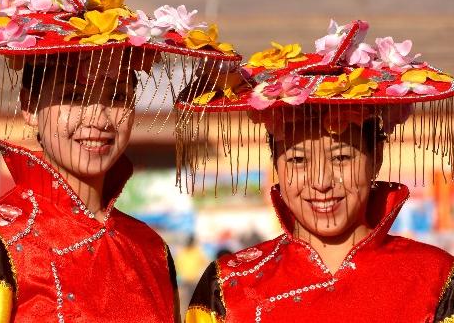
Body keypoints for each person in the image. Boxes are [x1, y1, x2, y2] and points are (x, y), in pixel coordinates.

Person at [0, 0, 240, 322]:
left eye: (118, 96)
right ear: (30, 106)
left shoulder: (151, 249)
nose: (98, 118)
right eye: (75, 95)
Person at [179, 20, 454, 322]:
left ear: (376, 157)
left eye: (341, 158)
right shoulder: (228, 285)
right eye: (298, 160)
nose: (321, 182)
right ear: (276, 164)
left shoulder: (435, 277)